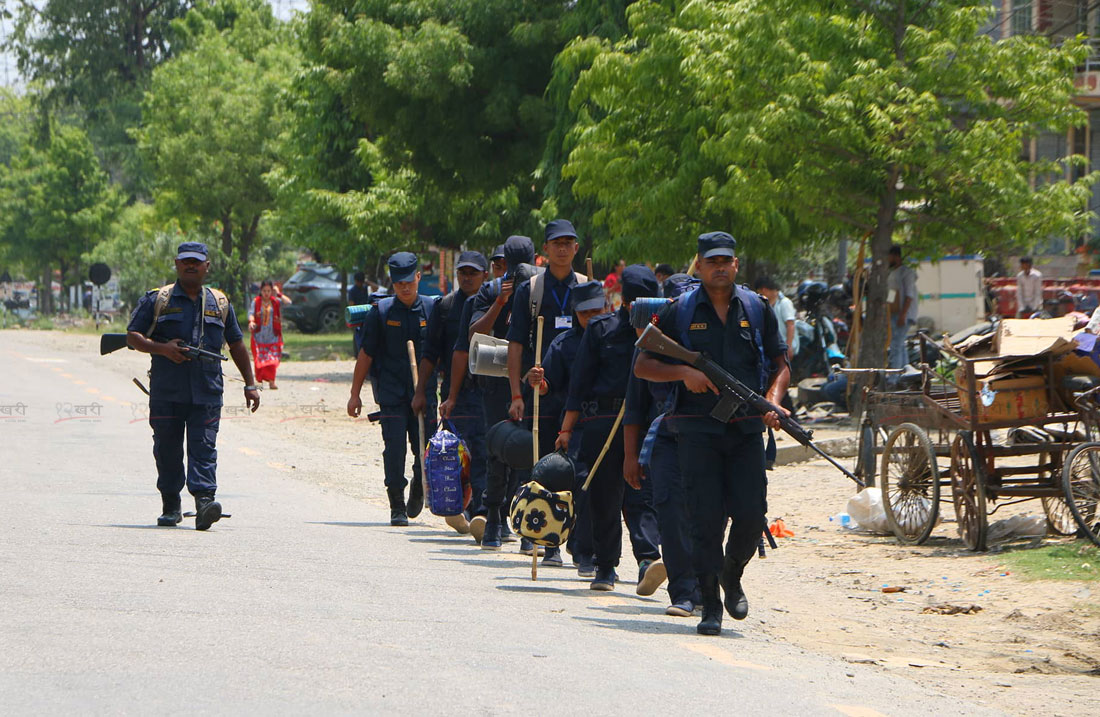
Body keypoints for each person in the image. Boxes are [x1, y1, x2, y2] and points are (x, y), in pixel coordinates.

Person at [635, 231, 789, 636]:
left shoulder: (756, 307)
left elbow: (780, 363)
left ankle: (731, 573)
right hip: (696, 430)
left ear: (736, 265)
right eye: (711, 261)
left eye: (727, 261)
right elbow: (643, 365)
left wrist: (772, 401)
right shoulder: (679, 310)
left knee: (752, 514)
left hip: (745, 430)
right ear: (699, 266)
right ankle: (710, 605)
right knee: (703, 521)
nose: (720, 267)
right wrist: (685, 373)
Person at [125, 242, 261, 530]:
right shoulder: (157, 299)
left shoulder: (219, 303)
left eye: (196, 262)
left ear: (206, 266)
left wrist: (250, 384)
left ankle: (204, 503)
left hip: (207, 391)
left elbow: (236, 344)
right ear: (176, 264)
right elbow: (133, 336)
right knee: (167, 449)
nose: (191, 265)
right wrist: (162, 349)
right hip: (166, 391)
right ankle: (171, 505)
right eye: (185, 261)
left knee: (204, 447)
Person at [556, 265, 662, 592]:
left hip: (645, 423)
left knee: (642, 495)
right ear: (624, 302)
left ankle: (648, 559)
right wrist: (567, 429)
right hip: (605, 422)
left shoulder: (662, 332)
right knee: (604, 496)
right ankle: (606, 566)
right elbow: (580, 383)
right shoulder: (602, 330)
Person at [506, 220, 588, 556]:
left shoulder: (586, 287)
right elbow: (514, 345)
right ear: (546, 249)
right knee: (539, 462)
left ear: (576, 248)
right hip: (539, 388)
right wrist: (515, 393)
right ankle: (535, 533)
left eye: (569, 242)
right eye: (557, 243)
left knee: (570, 463)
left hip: (577, 387)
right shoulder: (531, 290)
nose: (563, 248)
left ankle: (564, 536)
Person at [450, 235, 537, 548]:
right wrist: (501, 302)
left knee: (527, 450)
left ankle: (525, 522)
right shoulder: (490, 291)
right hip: (495, 384)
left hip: (531, 380)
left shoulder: (539, 287)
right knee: (496, 449)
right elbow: (473, 333)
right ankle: (493, 518)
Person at [347, 252, 438, 526]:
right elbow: (366, 354)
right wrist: (354, 394)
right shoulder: (382, 312)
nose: (405, 288)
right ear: (393, 283)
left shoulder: (432, 310)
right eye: (400, 284)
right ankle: (396, 502)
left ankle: (420, 485)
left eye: (410, 282)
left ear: (418, 278)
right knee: (395, 447)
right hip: (392, 393)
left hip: (424, 392)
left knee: (425, 446)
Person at [525, 280, 607, 572]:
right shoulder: (564, 344)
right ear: (576, 313)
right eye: (587, 313)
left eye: (599, 310)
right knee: (572, 484)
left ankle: (592, 551)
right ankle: (554, 544)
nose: (594, 317)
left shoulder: (617, 340)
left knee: (603, 491)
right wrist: (539, 382)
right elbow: (549, 387)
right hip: (573, 427)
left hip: (609, 425)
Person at [413, 251, 489, 517]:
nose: (467, 278)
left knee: (483, 450)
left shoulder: (494, 305)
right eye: (463, 273)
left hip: (486, 391)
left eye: (473, 273)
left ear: (485, 275)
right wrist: (421, 390)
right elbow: (430, 353)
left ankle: (481, 510)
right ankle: (460, 505)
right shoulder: (444, 307)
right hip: (454, 393)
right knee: (457, 451)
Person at [248, 279, 292, 390]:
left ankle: (272, 382)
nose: (266, 293)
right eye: (264, 291)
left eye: (268, 291)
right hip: (259, 336)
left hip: (273, 335)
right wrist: (251, 322)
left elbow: (289, 302)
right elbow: (251, 314)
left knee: (272, 361)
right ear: (261, 291)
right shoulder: (256, 302)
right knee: (260, 359)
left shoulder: (275, 301)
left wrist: (278, 294)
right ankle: (260, 381)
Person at [887, 245, 918, 371]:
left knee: (896, 345)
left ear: (895, 256)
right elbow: (891, 294)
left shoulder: (906, 273)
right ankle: (905, 374)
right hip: (895, 313)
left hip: (904, 314)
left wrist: (903, 315)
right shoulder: (892, 274)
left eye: (889, 257)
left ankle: (894, 377)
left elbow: (909, 295)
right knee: (900, 346)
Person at [753, 276, 797, 361]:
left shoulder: (784, 303)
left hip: (784, 348)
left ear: (764, 290)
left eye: (759, 292)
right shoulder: (766, 304)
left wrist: (788, 346)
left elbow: (790, 325)